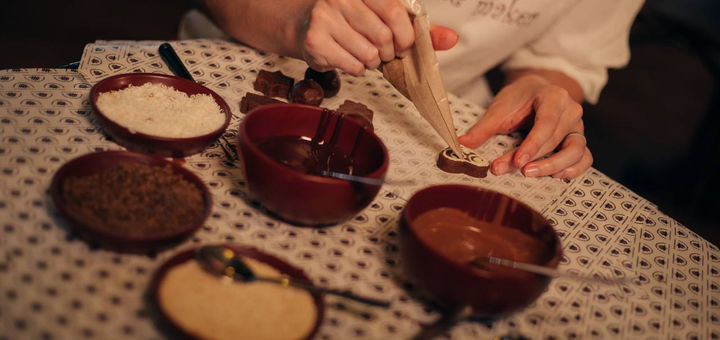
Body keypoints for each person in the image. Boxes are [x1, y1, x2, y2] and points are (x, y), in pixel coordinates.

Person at [180, 0, 644, 179]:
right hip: (237, 63)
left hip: (442, 129)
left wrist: (544, 86)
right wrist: (294, 17)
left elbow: (564, 56)